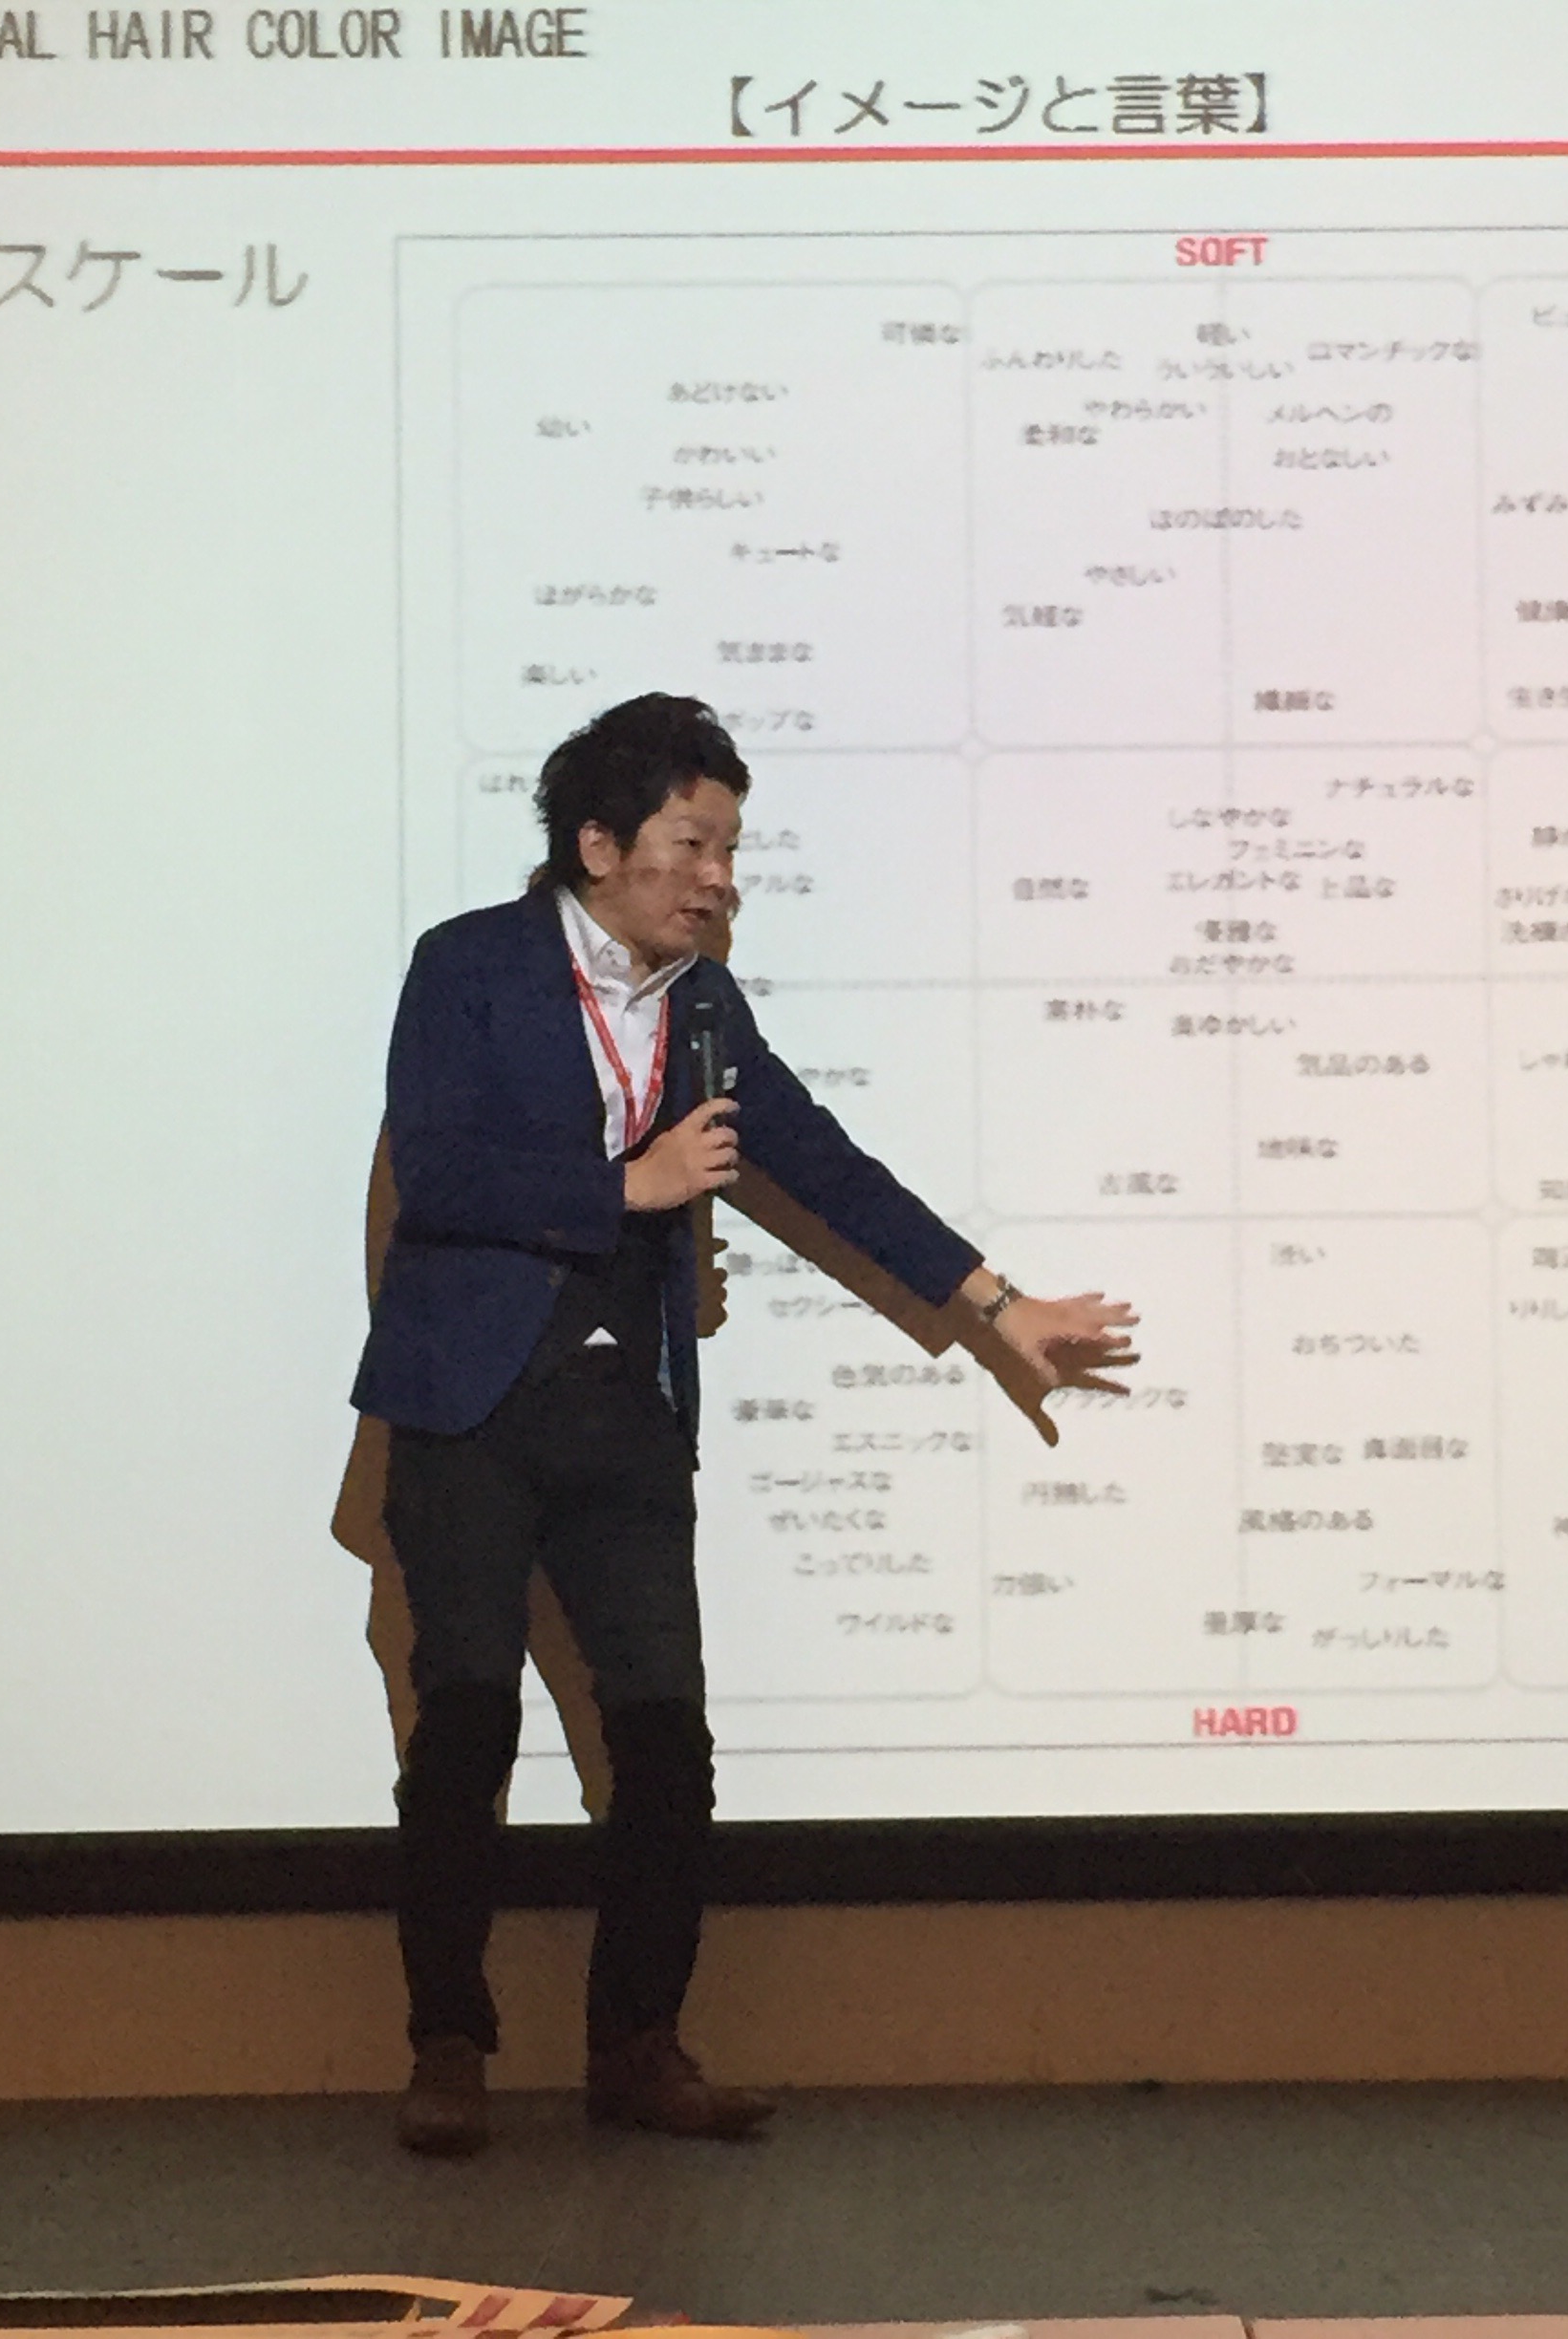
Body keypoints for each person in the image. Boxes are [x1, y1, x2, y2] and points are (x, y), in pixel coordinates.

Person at [350, 693, 1138, 2157]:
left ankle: (637, 2049)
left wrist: (996, 1303)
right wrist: (627, 1188)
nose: (719, 878)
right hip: (470, 1409)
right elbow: (440, 1175)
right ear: (600, 845)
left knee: (668, 1740)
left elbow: (825, 1165)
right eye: (693, 844)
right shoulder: (468, 964)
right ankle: (448, 2044)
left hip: (627, 1419)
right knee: (465, 1724)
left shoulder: (704, 1006)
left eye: (729, 850)